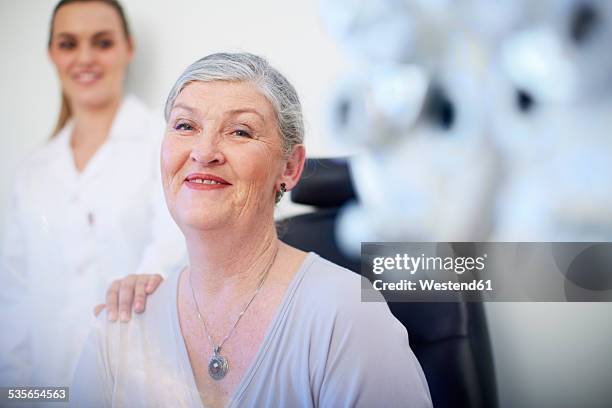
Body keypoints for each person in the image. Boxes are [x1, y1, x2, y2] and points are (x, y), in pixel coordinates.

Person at [70, 52, 432, 408]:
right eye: (185, 126)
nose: (204, 151)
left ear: (290, 167)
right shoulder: (119, 329)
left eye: (240, 131)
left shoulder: (348, 315)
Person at [0, 0, 185, 388]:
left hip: (140, 381)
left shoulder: (166, 141)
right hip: (47, 385)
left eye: (102, 42)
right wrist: (17, 389)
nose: (85, 57)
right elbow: (14, 297)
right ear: (52, 54)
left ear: (127, 48)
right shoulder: (32, 172)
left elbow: (170, 257)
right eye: (68, 44)